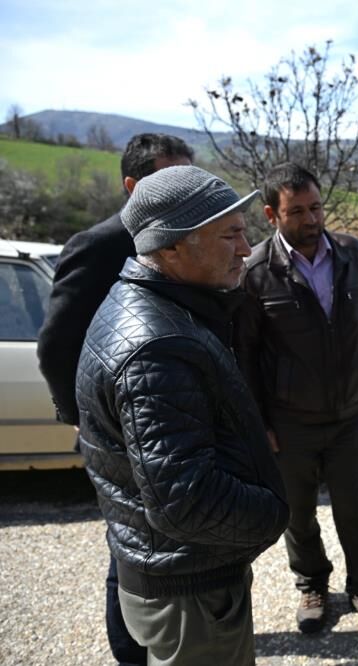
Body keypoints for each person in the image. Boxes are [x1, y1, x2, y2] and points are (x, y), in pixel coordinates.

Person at [76, 165, 289, 665]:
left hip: (178, 577)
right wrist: (273, 511)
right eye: (230, 234)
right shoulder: (157, 346)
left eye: (244, 231)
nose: (246, 248)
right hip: (189, 593)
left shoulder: (159, 307)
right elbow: (186, 502)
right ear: (170, 247)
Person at [36, 132, 193, 666]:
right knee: (130, 549)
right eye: (166, 179)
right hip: (120, 432)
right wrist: (85, 422)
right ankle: (131, 653)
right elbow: (57, 344)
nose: (180, 191)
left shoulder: (189, 239)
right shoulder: (98, 246)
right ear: (132, 186)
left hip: (174, 422)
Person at [233, 162, 358, 636]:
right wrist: (260, 421)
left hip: (348, 415)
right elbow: (246, 355)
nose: (311, 218)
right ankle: (312, 586)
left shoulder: (352, 253)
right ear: (271, 214)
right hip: (290, 421)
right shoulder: (256, 272)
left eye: (316, 207)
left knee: (355, 510)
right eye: (297, 211)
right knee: (297, 514)